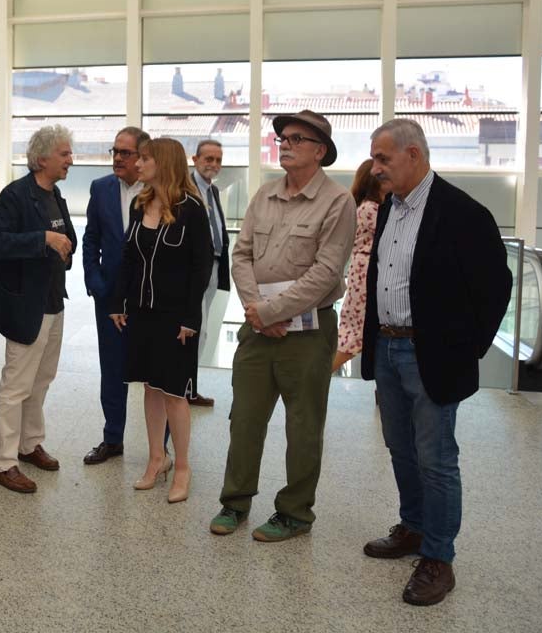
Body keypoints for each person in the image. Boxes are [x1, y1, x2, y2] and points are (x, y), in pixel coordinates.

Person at [360, 119, 511, 606]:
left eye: (383, 158)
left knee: (436, 458)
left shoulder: (464, 212)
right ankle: (414, 527)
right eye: (374, 158)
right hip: (387, 347)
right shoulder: (390, 208)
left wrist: (467, 349)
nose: (375, 168)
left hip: (432, 356)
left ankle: (439, 558)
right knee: (400, 448)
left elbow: (496, 287)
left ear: (414, 155)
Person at [210, 110, 355, 542]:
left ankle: (294, 513)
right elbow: (241, 255)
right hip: (259, 328)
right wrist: (257, 309)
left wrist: (272, 312)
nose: (285, 144)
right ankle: (235, 502)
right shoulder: (265, 195)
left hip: (308, 333)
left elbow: (326, 272)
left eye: (296, 139)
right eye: (282, 138)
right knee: (245, 419)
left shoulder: (337, 202)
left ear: (320, 150)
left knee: (303, 426)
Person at [108, 137, 211, 502]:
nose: (138, 164)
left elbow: (201, 267)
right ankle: (157, 458)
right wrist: (118, 301)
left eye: (145, 158)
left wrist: (190, 317)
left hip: (175, 317)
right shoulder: (140, 203)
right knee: (150, 388)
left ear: (163, 163)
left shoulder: (191, 210)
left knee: (174, 393)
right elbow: (128, 257)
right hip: (141, 313)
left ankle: (182, 466)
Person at [0, 124, 76, 493]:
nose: (70, 160)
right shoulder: (16, 195)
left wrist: (63, 246)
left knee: (41, 380)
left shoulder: (56, 194)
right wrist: (43, 239)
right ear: (42, 158)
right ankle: (3, 464)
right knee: (16, 386)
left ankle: (29, 444)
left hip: (54, 301)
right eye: (64, 154)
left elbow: (66, 238)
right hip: (25, 305)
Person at [81, 126, 149, 465]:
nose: (118, 158)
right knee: (112, 369)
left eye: (125, 153)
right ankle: (112, 439)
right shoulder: (101, 188)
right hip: (109, 296)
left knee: (155, 374)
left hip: (149, 298)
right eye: (115, 151)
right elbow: (91, 238)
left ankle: (160, 448)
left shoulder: (158, 189)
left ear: (142, 156)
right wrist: (95, 281)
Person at [332, 158, 384, 373]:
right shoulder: (372, 209)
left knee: (355, 334)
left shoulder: (363, 207)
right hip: (367, 276)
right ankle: (315, 380)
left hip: (361, 273)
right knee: (355, 335)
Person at [189, 139, 228, 404]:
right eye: (208, 159)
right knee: (196, 329)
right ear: (195, 160)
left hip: (213, 266)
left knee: (201, 330)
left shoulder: (212, 190)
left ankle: (189, 386)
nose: (214, 164)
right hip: (195, 270)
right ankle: (184, 388)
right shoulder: (186, 188)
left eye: (218, 160)